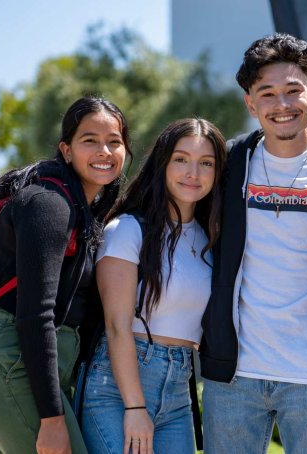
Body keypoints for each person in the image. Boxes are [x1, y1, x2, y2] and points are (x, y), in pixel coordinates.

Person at [198, 33, 307, 454]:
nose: (281, 105)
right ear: (250, 103)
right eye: (267, 93)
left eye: (293, 91)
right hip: (233, 375)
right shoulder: (226, 166)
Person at [0, 96, 130, 454]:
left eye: (114, 141)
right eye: (89, 140)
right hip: (11, 363)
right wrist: (52, 420)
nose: (104, 150)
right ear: (66, 150)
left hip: (22, 366)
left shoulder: (84, 210)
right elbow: (36, 316)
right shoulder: (49, 203)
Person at [79, 119, 227, 454]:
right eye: (181, 159)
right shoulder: (128, 230)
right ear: (162, 163)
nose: (193, 172)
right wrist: (134, 408)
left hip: (178, 390)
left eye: (206, 163)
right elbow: (116, 327)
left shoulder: (208, 237)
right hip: (118, 389)